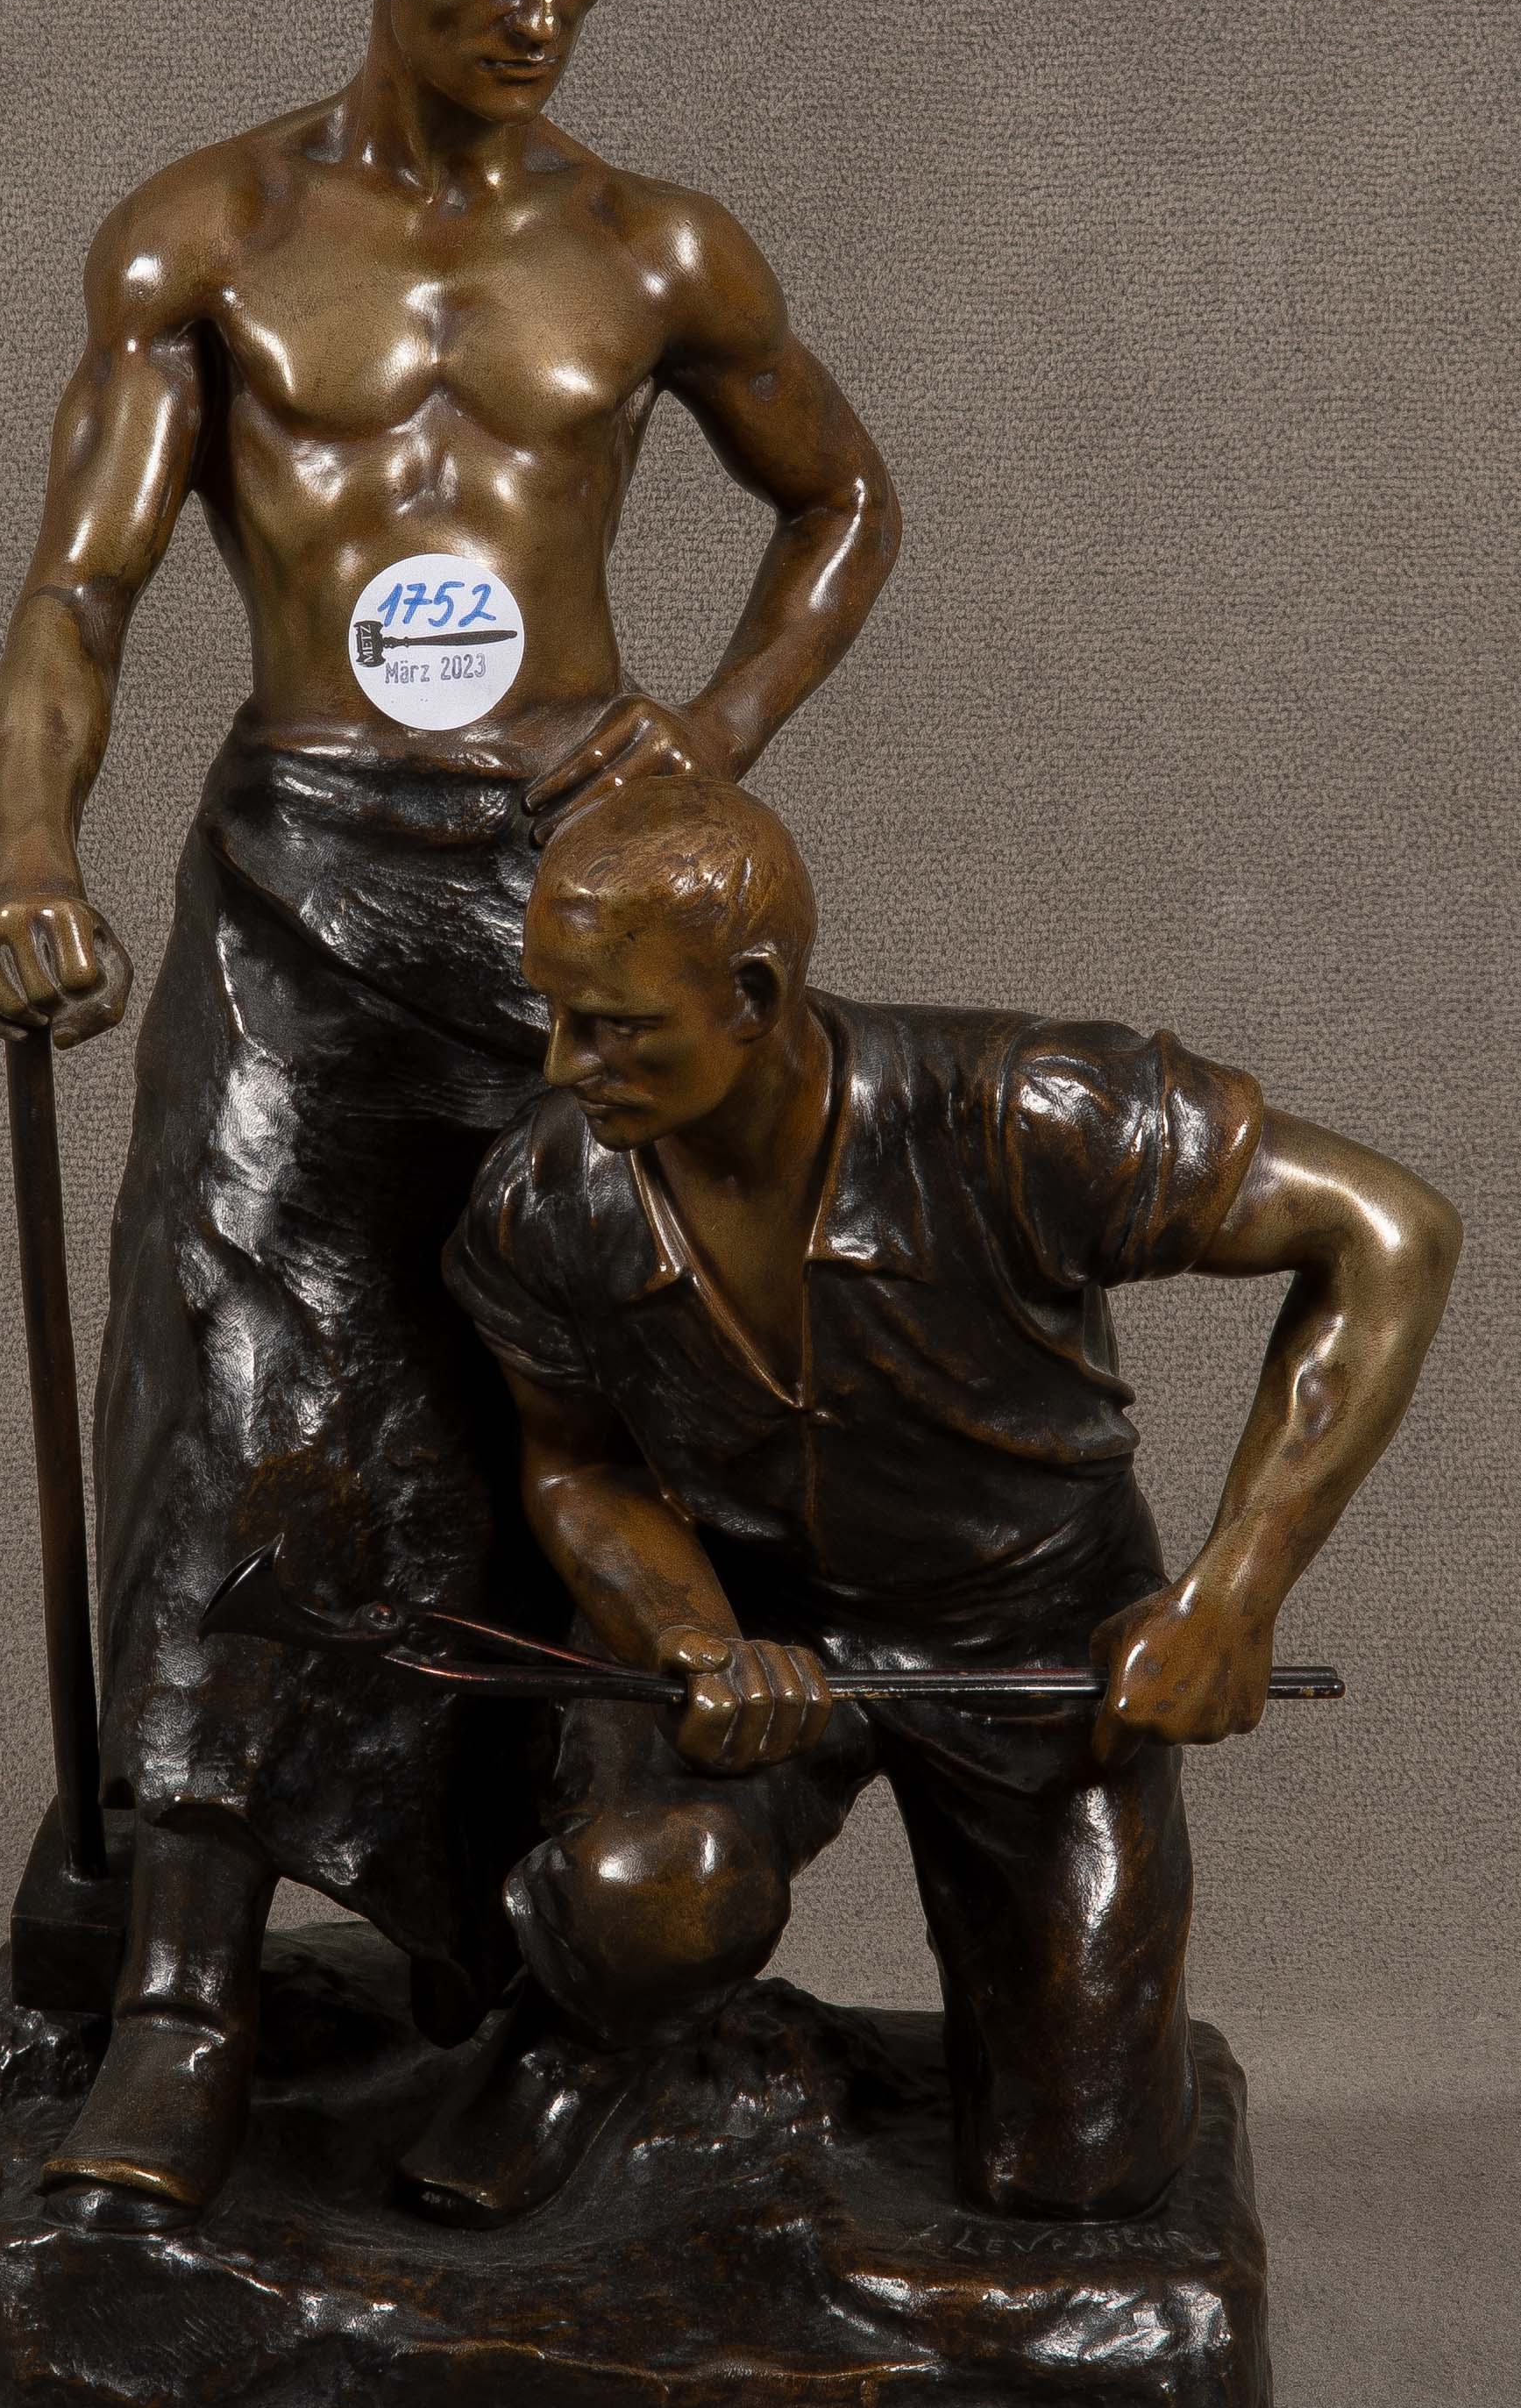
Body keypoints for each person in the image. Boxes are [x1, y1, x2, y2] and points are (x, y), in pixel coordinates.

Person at [0, 0, 898, 2223]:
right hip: (300, 877)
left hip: (571, 890)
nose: (538, 12)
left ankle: (570, 1962)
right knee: (236, 1406)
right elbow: (76, 599)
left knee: (608, 1388)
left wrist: (715, 736)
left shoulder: (662, 251)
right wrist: (29, 851)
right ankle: (181, 2005)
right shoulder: (207, 237)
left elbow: (841, 498)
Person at [420, 777, 1461, 2226]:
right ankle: (573, 2033)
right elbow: (575, 1463)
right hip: (757, 1620)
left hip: (1034, 1643)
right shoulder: (548, 1193)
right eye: (553, 1012)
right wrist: (692, 1639)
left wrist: (1231, 1595)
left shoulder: (1018, 1113)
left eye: (614, 1025)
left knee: (1082, 2174)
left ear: (753, 993)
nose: (562, 1061)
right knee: (649, 1888)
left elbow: (1389, 1233)